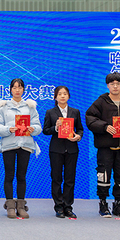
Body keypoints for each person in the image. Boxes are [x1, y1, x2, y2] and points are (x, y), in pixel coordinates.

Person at [86, 72, 120, 218]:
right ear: (108, 85)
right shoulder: (100, 102)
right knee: (103, 175)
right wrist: (104, 127)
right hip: (105, 147)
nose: (115, 86)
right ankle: (103, 204)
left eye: (118, 84)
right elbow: (90, 119)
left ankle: (118, 205)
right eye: (112, 84)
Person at [0, 78, 41, 219]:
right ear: (10, 90)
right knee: (9, 175)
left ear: (24, 89)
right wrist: (8, 129)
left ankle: (21, 206)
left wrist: (33, 129)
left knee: (21, 176)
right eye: (14, 87)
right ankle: (10, 206)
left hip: (25, 144)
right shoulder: (3, 107)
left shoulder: (30, 107)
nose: (17, 90)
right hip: (9, 145)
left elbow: (38, 126)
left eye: (20, 87)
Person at [42, 86, 83, 219]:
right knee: (56, 178)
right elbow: (45, 130)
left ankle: (68, 207)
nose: (62, 96)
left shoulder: (75, 112)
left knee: (70, 179)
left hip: (72, 149)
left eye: (65, 94)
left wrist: (78, 136)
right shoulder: (50, 112)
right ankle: (59, 206)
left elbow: (80, 129)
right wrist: (56, 127)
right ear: (55, 97)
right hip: (56, 149)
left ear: (69, 96)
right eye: (59, 94)